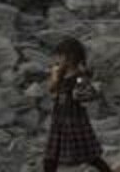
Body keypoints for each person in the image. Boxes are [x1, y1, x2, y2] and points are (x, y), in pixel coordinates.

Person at [44, 37, 111, 172]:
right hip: (59, 120)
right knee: (50, 157)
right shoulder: (61, 74)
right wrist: (55, 76)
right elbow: (52, 90)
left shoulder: (79, 77)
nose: (57, 59)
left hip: (75, 121)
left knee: (91, 156)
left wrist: (79, 89)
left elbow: (84, 95)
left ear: (71, 57)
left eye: (61, 56)